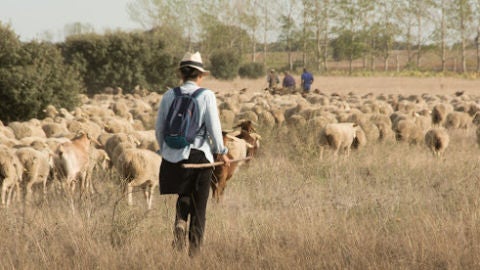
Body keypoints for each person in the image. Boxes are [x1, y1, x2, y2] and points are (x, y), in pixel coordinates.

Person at [155, 51, 231, 257]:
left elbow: (160, 128)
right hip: (199, 156)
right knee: (199, 208)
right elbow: (214, 128)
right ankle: (194, 255)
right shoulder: (206, 95)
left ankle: (180, 221)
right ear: (200, 75)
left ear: (181, 74)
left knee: (183, 192)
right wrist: (221, 152)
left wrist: (166, 151)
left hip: (173, 157)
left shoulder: (169, 95)